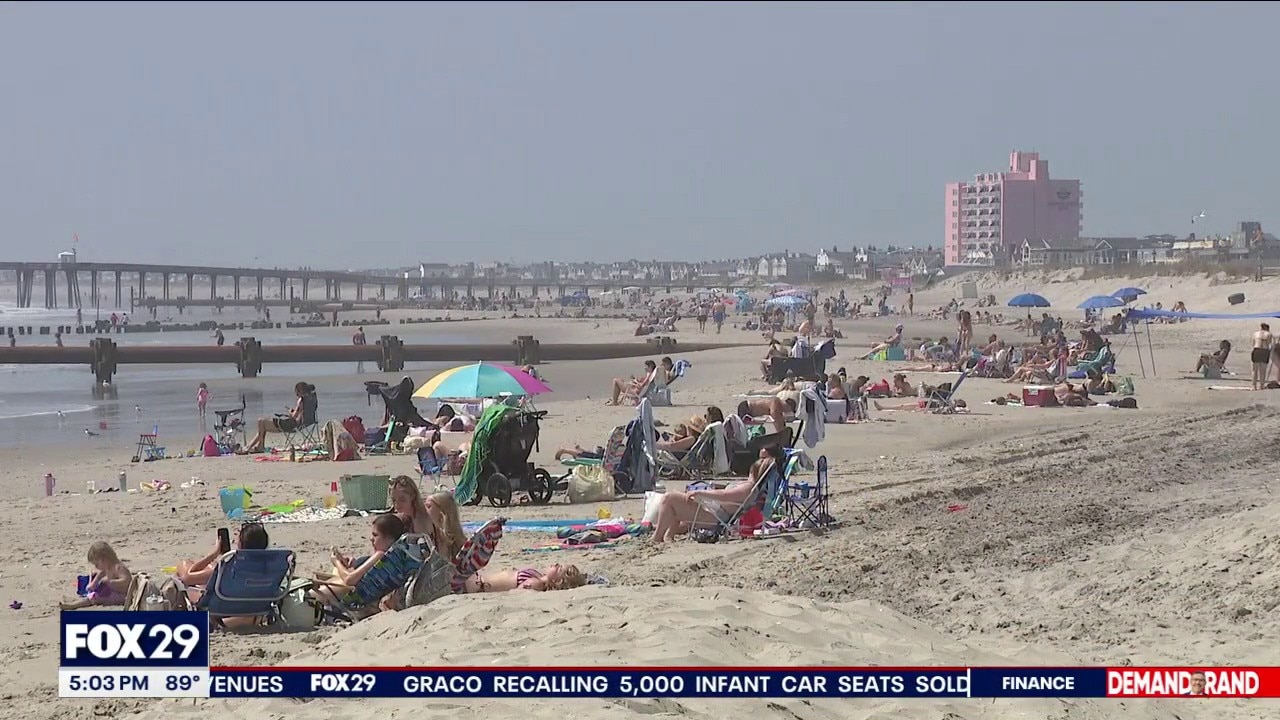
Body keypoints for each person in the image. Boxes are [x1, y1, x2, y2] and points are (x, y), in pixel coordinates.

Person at [650, 445, 781, 542]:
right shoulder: (750, 488)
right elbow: (727, 494)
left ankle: (657, 537)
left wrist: (700, 492)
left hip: (714, 517)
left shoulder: (748, 488)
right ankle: (668, 536)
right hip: (714, 512)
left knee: (669, 498)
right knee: (678, 498)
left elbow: (725, 495)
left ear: (753, 471)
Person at [175, 523, 270, 614]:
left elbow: (187, 578)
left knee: (184, 565)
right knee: (213, 566)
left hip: (221, 605)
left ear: (241, 543)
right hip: (253, 605)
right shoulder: (271, 566)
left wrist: (214, 553)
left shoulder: (231, 568)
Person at [242, 382, 318, 453]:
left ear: (299, 391)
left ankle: (254, 447)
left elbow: (294, 416)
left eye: (296, 392)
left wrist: (290, 412)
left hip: (292, 425)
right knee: (262, 423)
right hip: (305, 423)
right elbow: (301, 413)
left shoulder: (301, 400)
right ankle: (254, 446)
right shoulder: (312, 398)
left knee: (261, 422)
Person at [60, 541, 132, 609]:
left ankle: (73, 605)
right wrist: (93, 583)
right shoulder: (107, 567)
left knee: (95, 598)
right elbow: (100, 575)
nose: (96, 567)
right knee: (94, 595)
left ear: (104, 559)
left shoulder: (118, 567)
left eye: (97, 564)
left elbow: (128, 581)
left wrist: (110, 582)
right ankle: (74, 604)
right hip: (112, 592)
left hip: (123, 595)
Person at [459, 563, 586, 593]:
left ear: (557, 581)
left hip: (477, 586)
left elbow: (517, 593)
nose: (557, 564)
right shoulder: (537, 575)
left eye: (559, 569)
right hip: (477, 580)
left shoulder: (535, 583)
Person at [1251, 323, 1273, 390]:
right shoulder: (1269, 334)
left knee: (1254, 370)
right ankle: (1261, 385)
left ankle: (1253, 386)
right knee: (1263, 370)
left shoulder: (1255, 333)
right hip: (1264, 350)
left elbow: (1253, 343)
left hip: (1256, 349)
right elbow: (1269, 343)